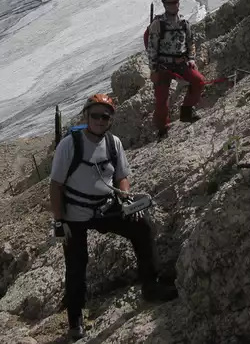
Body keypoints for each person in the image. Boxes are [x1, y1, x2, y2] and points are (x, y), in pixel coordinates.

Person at [49, 93, 178, 341]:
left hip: (106, 206)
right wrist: (59, 220)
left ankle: (150, 285)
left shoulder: (113, 143)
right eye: (95, 115)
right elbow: (55, 186)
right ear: (86, 116)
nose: (100, 119)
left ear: (110, 120)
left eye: (105, 116)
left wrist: (125, 197)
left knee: (142, 228)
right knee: (76, 265)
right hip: (75, 215)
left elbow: (122, 176)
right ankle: (75, 320)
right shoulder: (70, 144)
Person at [147, 0, 206, 140]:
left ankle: (186, 111)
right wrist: (154, 70)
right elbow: (152, 48)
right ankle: (162, 128)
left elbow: (190, 42)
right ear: (165, 4)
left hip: (181, 62)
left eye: (175, 2)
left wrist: (191, 58)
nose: (174, 5)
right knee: (161, 99)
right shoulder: (158, 24)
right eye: (170, 2)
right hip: (163, 66)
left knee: (199, 81)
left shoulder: (184, 23)